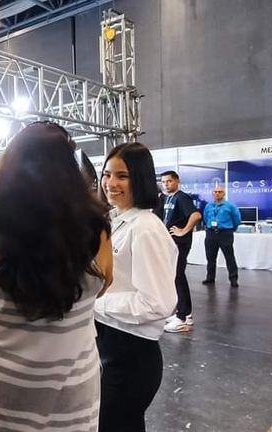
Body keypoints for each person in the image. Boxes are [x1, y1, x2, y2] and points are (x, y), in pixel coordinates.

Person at [0, 122, 113, 432]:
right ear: (71, 174)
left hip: (0, 385)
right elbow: (100, 290)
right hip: (72, 388)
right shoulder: (97, 235)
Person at [96, 143, 178, 432]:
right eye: (107, 174)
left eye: (122, 176)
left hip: (131, 356)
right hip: (111, 347)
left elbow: (157, 303)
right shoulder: (117, 221)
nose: (111, 183)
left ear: (140, 179)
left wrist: (93, 303)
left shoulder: (145, 228)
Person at [159, 170, 201, 333]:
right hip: (170, 243)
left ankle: (182, 317)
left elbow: (196, 215)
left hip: (180, 243)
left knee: (178, 276)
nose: (166, 184)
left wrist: (183, 231)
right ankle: (184, 313)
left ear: (177, 181)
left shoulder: (182, 197)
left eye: (169, 181)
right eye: (163, 182)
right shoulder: (167, 198)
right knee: (175, 277)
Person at [201, 186, 242, 288]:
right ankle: (210, 278)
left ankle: (233, 279)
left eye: (220, 192)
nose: (217, 193)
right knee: (210, 258)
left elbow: (237, 220)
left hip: (225, 233)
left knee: (229, 257)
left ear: (224, 194)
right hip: (211, 233)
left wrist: (231, 229)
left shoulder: (230, 206)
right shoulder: (208, 206)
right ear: (212, 194)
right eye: (215, 192)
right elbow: (205, 218)